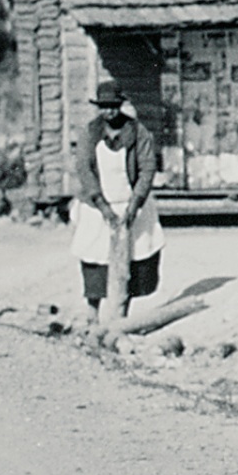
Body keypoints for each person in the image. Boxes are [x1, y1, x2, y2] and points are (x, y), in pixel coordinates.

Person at [72, 77, 162, 318]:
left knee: (134, 257)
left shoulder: (138, 132)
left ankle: (121, 314)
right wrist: (103, 207)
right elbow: (84, 168)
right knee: (95, 258)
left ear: (120, 105)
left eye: (113, 106)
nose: (108, 111)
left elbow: (147, 168)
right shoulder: (90, 133)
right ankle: (92, 315)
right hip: (98, 204)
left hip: (131, 202)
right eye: (103, 106)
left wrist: (134, 206)